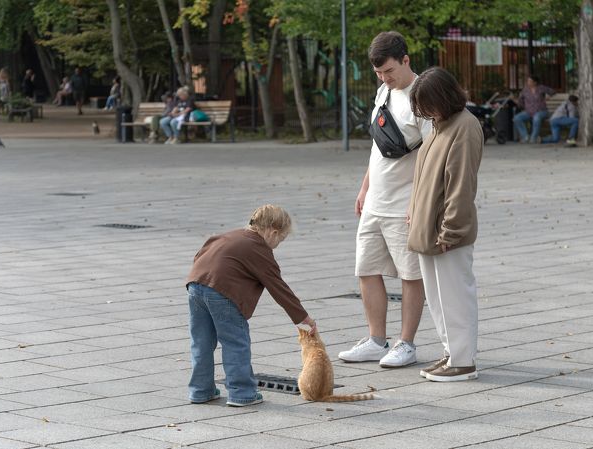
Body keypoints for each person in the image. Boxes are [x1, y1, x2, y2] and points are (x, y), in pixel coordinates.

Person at [338, 31, 432, 368]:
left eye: (389, 71)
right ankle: (377, 340)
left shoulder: (424, 96)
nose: (384, 78)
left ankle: (407, 343)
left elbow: (431, 155)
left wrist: (417, 201)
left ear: (406, 60)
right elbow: (379, 143)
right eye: (378, 73)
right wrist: (365, 187)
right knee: (367, 268)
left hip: (404, 200)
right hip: (376, 199)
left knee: (410, 274)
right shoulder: (384, 91)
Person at [185, 205, 317, 407]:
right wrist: (302, 317)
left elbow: (200, 256)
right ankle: (242, 393)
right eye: (280, 240)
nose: (277, 245)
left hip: (196, 286)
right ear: (273, 232)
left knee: (201, 342)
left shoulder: (227, 236)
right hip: (223, 293)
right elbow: (278, 287)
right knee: (236, 342)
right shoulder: (258, 248)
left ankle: (200, 391)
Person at [407, 67, 482, 382]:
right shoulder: (439, 125)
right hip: (428, 229)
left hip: (446, 232)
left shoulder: (464, 127)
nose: (425, 114)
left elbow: (460, 184)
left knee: (454, 296)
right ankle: (451, 352)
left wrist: (450, 230)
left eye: (428, 106)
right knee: (438, 298)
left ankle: (463, 359)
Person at [513, 75, 555, 143]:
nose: (528, 82)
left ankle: (534, 138)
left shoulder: (541, 88)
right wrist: (516, 102)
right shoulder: (525, 90)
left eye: (530, 81)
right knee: (517, 118)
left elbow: (553, 91)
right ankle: (525, 137)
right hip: (529, 112)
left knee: (536, 117)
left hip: (541, 111)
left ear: (535, 82)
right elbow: (520, 101)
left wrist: (548, 96)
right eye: (528, 81)